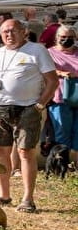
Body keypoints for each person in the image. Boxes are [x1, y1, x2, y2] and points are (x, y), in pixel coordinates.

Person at [0, 17, 58, 212]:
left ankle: (27, 199)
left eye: (14, 31)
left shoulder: (37, 50)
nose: (9, 35)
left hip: (27, 108)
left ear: (24, 32)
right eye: (5, 31)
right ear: (0, 34)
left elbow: (52, 81)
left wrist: (39, 106)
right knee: (0, 152)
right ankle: (4, 195)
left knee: (25, 152)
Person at [48, 24, 78, 165]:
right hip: (59, 98)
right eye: (63, 37)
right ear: (57, 38)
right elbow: (44, 71)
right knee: (62, 133)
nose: (66, 40)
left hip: (77, 97)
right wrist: (61, 73)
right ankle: (61, 165)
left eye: (70, 37)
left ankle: (75, 164)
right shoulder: (49, 53)